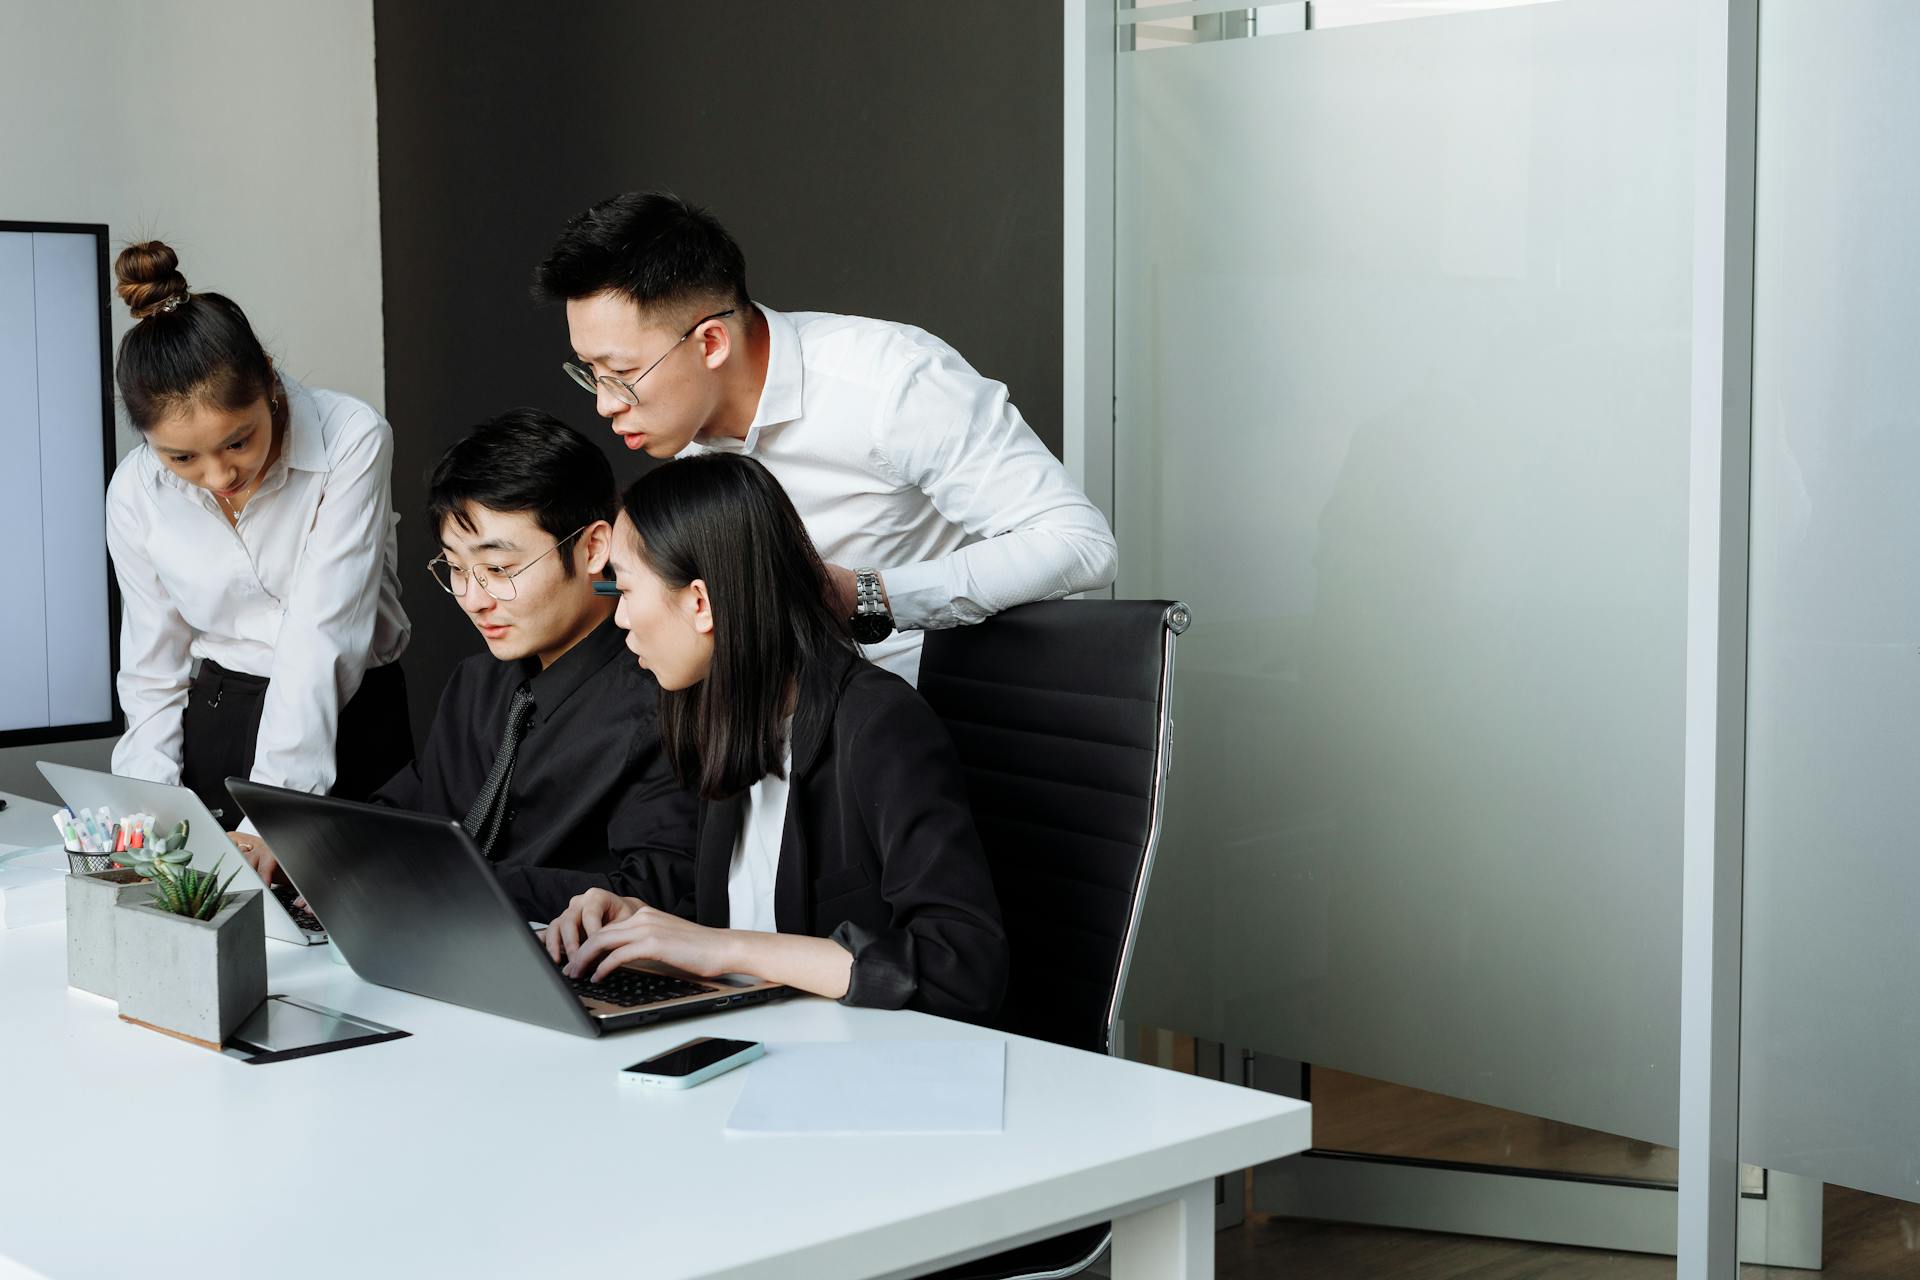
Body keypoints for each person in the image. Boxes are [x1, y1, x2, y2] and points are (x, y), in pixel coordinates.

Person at [534, 190, 1118, 683]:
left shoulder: (891, 383)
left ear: (710, 343)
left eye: (624, 374)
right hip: (772, 730)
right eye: (591, 372)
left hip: (933, 730)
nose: (606, 404)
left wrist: (869, 596)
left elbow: (1081, 545)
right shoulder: (680, 430)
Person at [544, 452, 1008, 1022]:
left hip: (869, 1074)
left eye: (626, 590)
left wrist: (723, 948)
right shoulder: (723, 713)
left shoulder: (878, 725)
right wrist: (637, 920)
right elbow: (752, 906)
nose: (619, 620)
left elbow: (964, 967)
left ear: (700, 603)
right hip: (766, 1041)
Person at [237, 411, 698, 919]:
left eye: (498, 569)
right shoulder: (477, 682)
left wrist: (436, 880)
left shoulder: (663, 697)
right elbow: (403, 811)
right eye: (456, 568)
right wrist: (305, 846)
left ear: (593, 548)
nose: (472, 599)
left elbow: (655, 888)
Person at [105, 241, 411, 833]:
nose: (219, 475)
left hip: (353, 713)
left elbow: (323, 633)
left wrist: (276, 812)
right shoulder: (135, 492)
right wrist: (147, 810)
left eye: (238, 441)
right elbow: (152, 668)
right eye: (181, 457)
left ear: (269, 381)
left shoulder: (351, 439)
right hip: (218, 716)